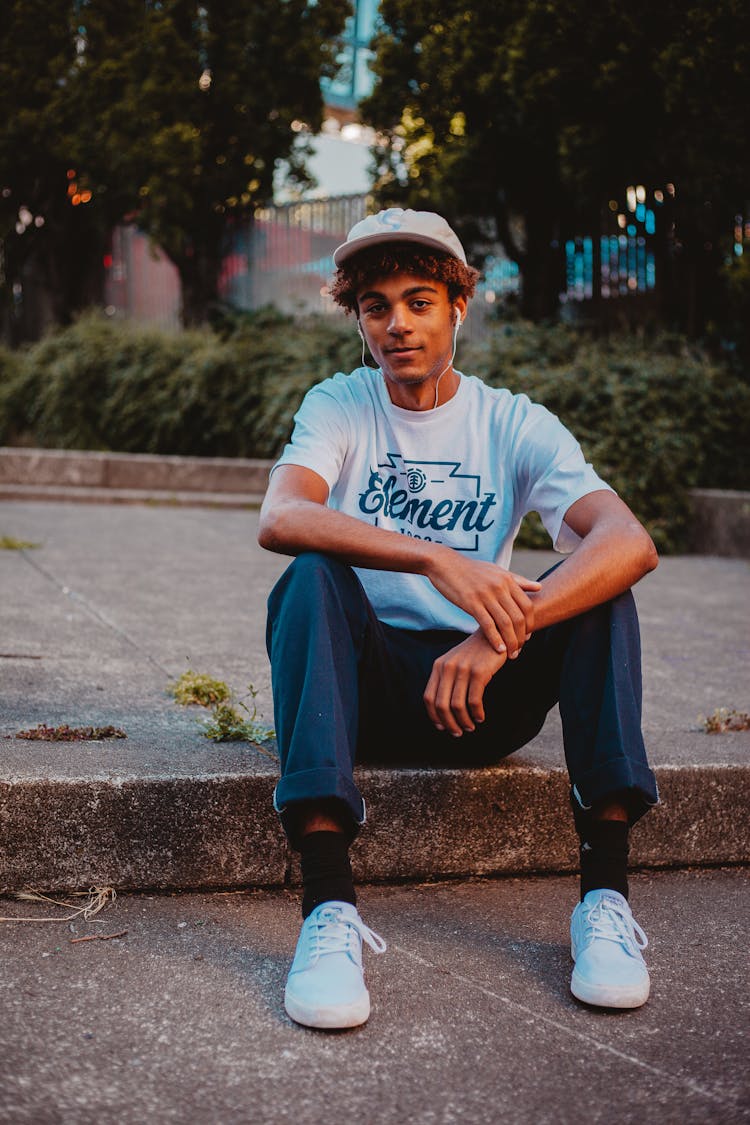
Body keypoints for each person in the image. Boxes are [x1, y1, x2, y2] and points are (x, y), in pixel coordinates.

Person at [258, 208, 659, 1030]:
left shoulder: (512, 421)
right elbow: (282, 514)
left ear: (458, 308)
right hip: (362, 694)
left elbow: (627, 538)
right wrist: (436, 557)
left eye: (418, 301)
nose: (397, 324)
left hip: (480, 697)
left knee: (602, 594)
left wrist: (500, 630)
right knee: (311, 576)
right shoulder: (340, 402)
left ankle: (605, 905)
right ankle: (327, 910)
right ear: (359, 321)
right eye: (376, 306)